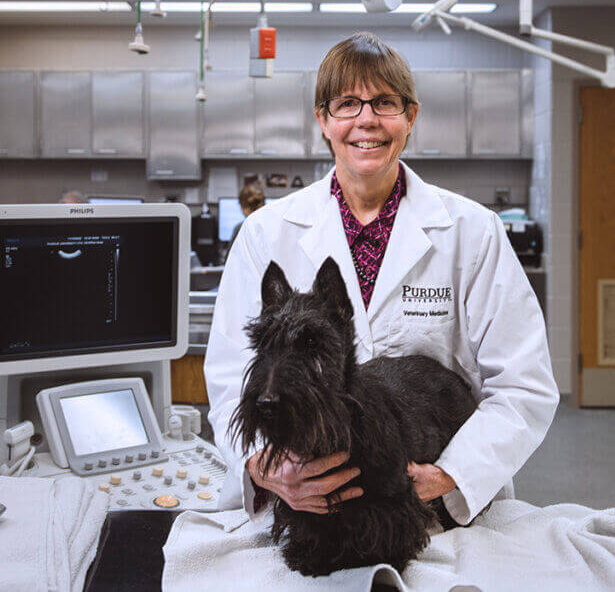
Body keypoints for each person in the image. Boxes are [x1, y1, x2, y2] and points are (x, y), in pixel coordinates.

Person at [204, 32, 559, 525]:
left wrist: (451, 476)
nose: (366, 120)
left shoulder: (472, 232)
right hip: (304, 505)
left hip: (435, 509)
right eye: (347, 104)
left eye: (384, 103)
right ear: (322, 120)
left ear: (410, 117)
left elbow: (524, 385)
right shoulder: (266, 233)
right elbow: (229, 378)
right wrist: (271, 469)